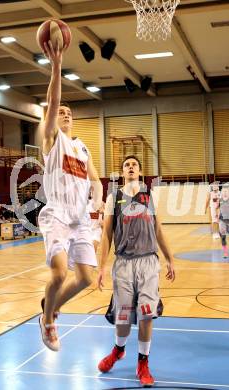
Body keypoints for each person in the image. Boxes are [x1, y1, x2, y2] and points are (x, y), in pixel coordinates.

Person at [38, 40, 103, 352]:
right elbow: (53, 101)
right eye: (59, 111)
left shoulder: (82, 147)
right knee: (60, 273)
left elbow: (95, 179)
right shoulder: (53, 141)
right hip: (57, 216)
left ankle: (49, 309)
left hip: (81, 219)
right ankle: (48, 321)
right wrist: (57, 66)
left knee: (85, 279)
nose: (63, 113)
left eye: (67, 112)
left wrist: (100, 197)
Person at [97, 155, 175, 387]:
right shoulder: (114, 197)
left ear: (140, 172)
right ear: (122, 172)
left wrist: (170, 258)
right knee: (122, 318)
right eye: (126, 165)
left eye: (134, 165)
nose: (130, 167)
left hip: (148, 262)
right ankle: (118, 350)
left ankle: (143, 363)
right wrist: (101, 266)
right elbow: (106, 235)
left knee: (146, 314)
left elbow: (158, 230)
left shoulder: (150, 196)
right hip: (123, 263)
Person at [218, 183, 229, 258]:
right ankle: (225, 253)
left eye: (226, 191)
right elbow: (217, 208)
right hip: (222, 220)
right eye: (223, 191)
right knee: (223, 237)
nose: (225, 193)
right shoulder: (219, 200)